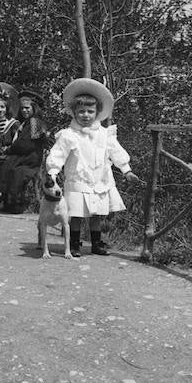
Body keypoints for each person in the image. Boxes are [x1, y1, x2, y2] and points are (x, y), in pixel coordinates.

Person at [44, 78, 140, 256]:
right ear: (73, 112)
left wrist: (126, 170)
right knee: (77, 214)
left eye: (90, 111)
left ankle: (96, 242)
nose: (85, 115)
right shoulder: (68, 135)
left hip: (99, 179)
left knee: (96, 214)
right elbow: (58, 154)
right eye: (81, 111)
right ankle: (73, 243)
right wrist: (52, 172)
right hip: (78, 180)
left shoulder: (105, 134)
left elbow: (116, 152)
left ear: (97, 113)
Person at [0, 90, 51, 214]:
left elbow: (26, 143)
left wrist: (9, 149)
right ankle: (8, 203)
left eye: (27, 108)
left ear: (34, 108)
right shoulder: (27, 122)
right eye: (22, 109)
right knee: (7, 167)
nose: (24, 111)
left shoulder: (35, 121)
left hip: (31, 157)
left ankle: (16, 204)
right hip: (24, 155)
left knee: (15, 171)